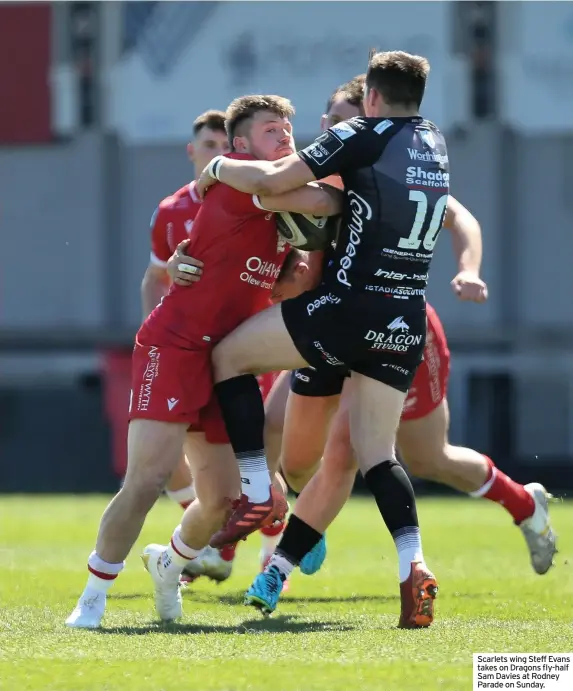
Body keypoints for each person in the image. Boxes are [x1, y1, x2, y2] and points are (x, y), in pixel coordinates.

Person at [65, 94, 342, 629]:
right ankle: (93, 596)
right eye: (269, 130)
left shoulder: (279, 195)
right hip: (178, 347)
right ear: (240, 147)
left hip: (227, 361)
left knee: (218, 501)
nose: (285, 136)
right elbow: (327, 204)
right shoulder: (249, 181)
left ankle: (167, 566)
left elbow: (287, 272)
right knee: (145, 482)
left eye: (288, 128)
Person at [195, 50, 450, 628]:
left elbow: (281, 180)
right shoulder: (433, 140)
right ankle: (412, 564)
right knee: (375, 455)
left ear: (373, 99)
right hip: (403, 316)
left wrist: (217, 170)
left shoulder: (362, 132)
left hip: (346, 308)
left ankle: (258, 490)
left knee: (228, 357)